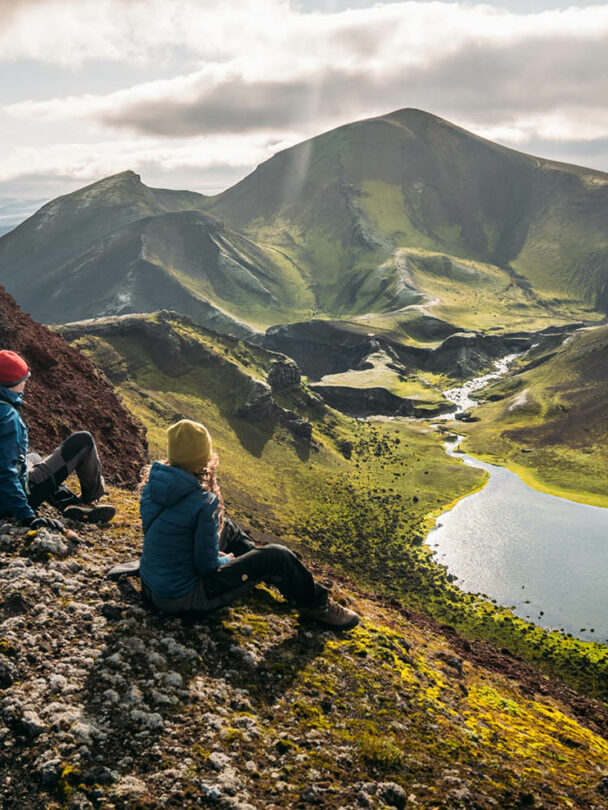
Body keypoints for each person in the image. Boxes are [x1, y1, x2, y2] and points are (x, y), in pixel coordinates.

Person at [139, 419, 359, 630]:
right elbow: (206, 566)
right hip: (184, 597)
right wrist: (226, 559)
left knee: (229, 528)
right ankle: (317, 604)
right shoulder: (203, 503)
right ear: (202, 458)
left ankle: (264, 569)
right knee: (278, 555)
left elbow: (168, 536)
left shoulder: (153, 485)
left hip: (152, 586)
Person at [0, 350, 115, 528]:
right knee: (83, 440)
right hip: (9, 501)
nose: (26, 382)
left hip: (6, 494)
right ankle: (90, 501)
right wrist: (27, 516)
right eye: (23, 378)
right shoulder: (7, 417)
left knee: (34, 458)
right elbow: (5, 472)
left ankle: (68, 503)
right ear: (11, 382)